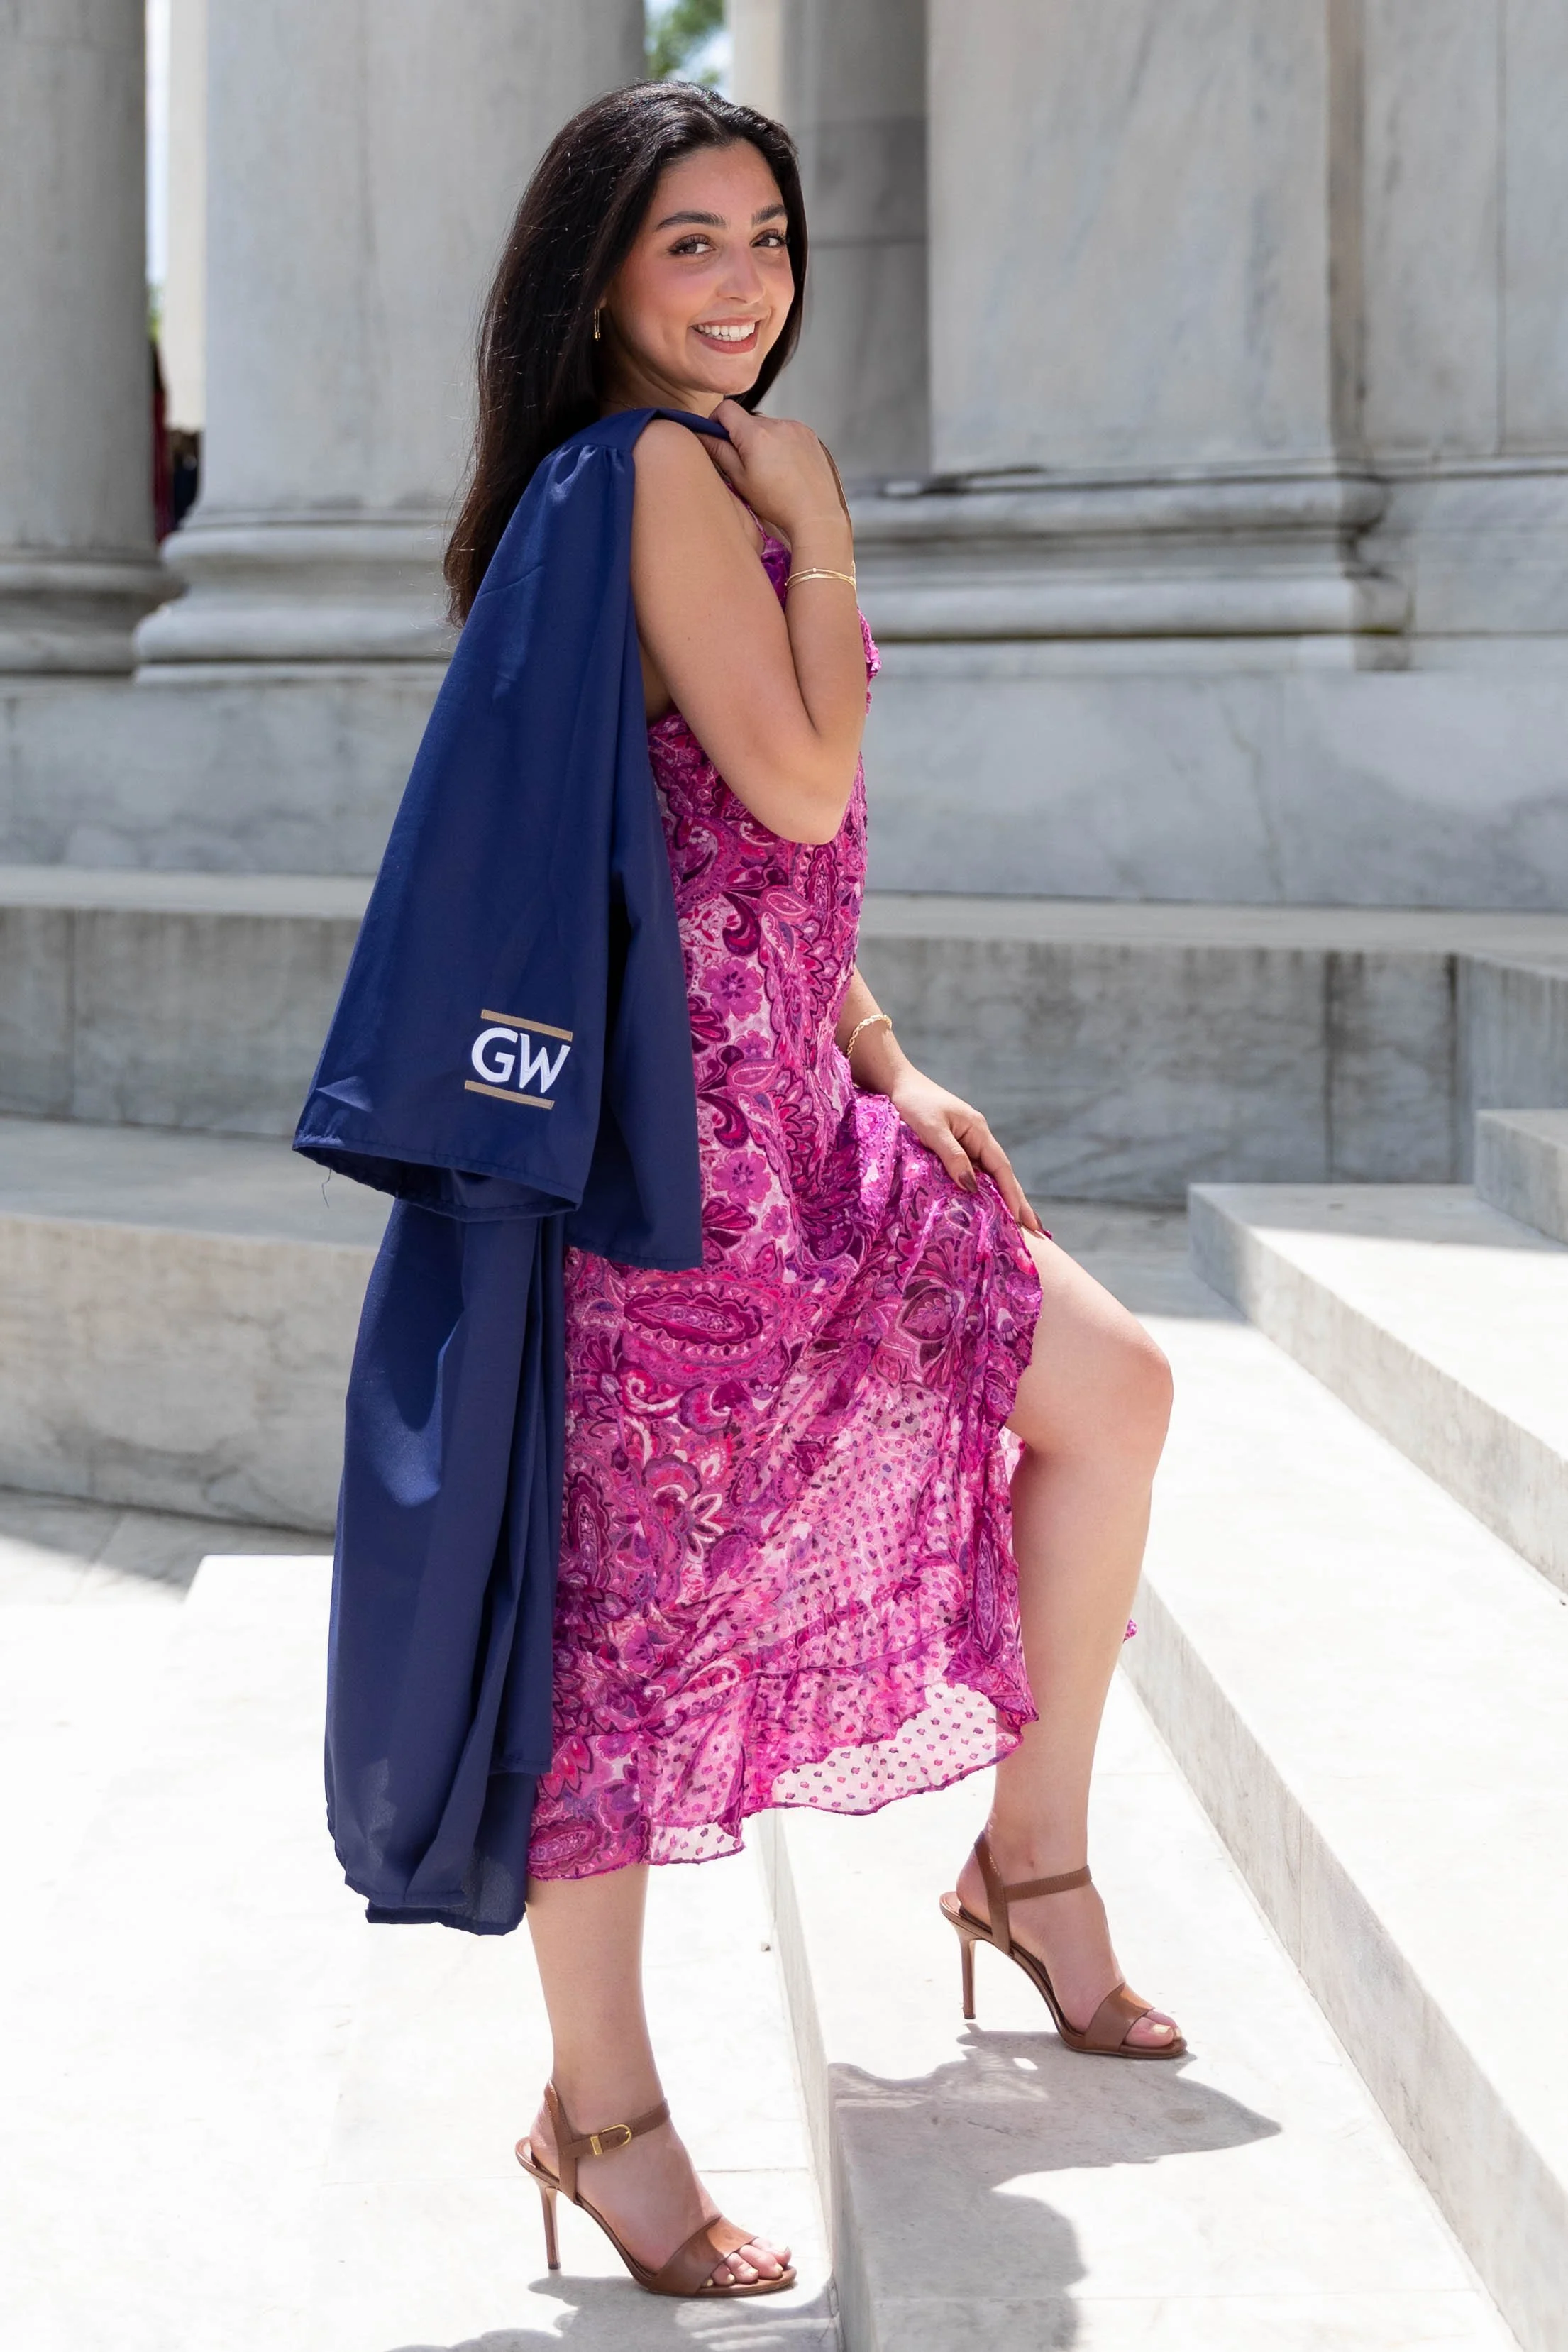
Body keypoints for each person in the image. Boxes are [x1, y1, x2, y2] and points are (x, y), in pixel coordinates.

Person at [439, 81, 1180, 2301]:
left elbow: (719, 850)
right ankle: (601, 2111)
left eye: (769, 235)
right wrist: (828, 508)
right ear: (603, 273)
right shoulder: (673, 474)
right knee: (627, 1654)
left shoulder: (655, 477)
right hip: (674, 1188)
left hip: (798, 1128)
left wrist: (884, 1047)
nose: (748, 280)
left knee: (1113, 1391)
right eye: (695, 242)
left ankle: (1027, 1871)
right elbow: (800, 765)